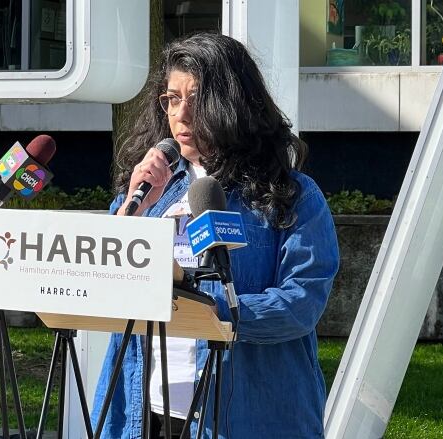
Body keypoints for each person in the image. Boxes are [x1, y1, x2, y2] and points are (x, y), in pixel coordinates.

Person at [90, 32, 339, 438]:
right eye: (171, 99)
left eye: (196, 99)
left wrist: (202, 304)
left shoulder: (289, 196)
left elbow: (301, 303)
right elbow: (105, 280)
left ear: (232, 103)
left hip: (246, 413)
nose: (181, 115)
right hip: (145, 408)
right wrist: (130, 209)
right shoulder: (149, 193)